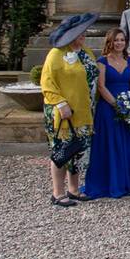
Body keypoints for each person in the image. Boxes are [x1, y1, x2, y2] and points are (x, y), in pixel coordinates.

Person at [40, 12, 99, 207]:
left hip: (84, 110)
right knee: (62, 151)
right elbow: (47, 83)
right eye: (79, 34)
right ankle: (57, 193)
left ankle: (74, 189)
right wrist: (60, 103)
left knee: (78, 151)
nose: (83, 37)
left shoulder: (87, 52)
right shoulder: (56, 54)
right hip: (63, 112)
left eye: (83, 34)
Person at [86, 28, 130, 198]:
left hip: (128, 106)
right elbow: (101, 86)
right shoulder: (102, 61)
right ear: (110, 42)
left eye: (122, 40)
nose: (119, 43)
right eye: (116, 40)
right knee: (111, 143)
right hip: (109, 107)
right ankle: (111, 182)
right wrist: (117, 105)